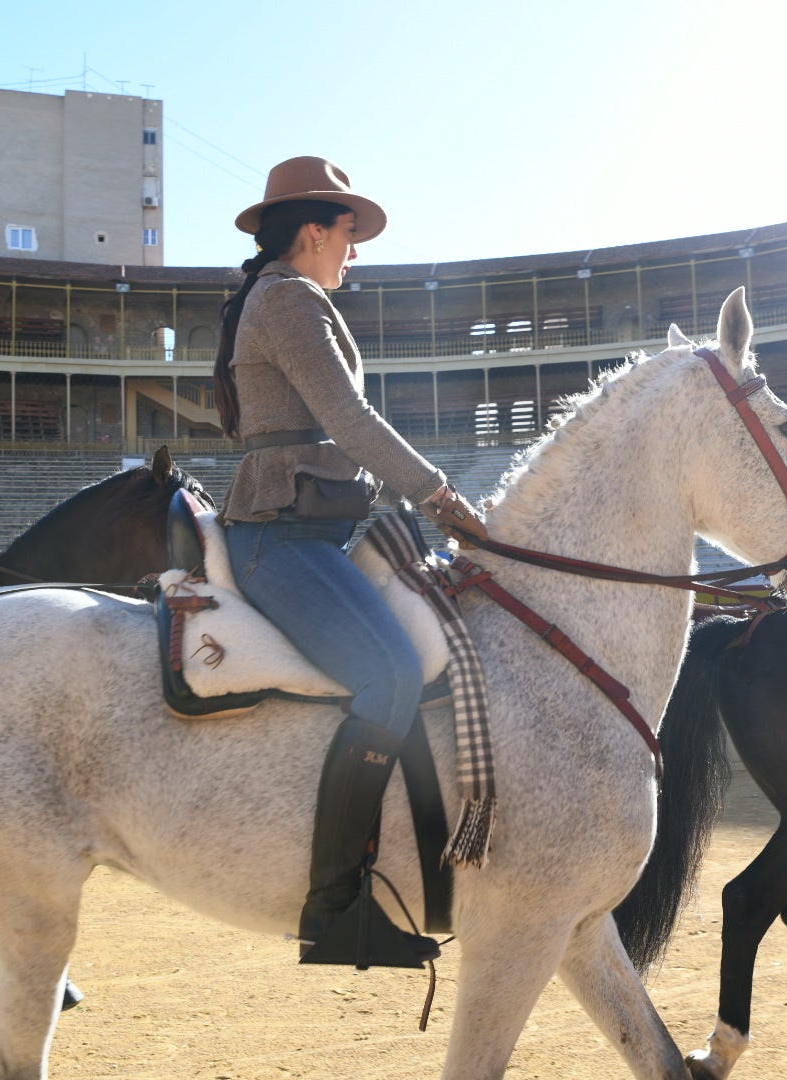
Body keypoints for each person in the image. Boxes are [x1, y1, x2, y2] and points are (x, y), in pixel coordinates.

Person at [214, 156, 488, 965]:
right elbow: (351, 419)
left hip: (315, 530)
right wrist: (443, 498)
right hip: (282, 539)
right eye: (347, 234)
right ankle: (335, 905)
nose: (354, 253)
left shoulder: (280, 297)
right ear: (310, 234)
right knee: (394, 675)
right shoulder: (289, 297)